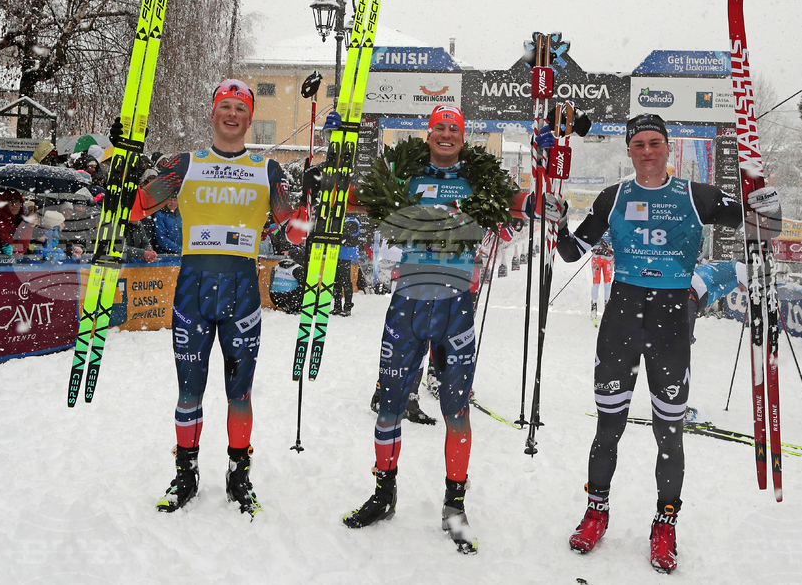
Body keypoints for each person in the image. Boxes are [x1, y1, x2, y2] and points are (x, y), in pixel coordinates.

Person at [550, 113, 781, 573]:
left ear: (668, 147)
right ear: (629, 151)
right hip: (621, 322)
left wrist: (766, 202)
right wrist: (557, 223)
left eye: (655, 142)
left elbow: (761, 225)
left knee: (669, 432)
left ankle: (665, 523)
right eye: (639, 144)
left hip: (670, 325)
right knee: (608, 427)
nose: (648, 151)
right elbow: (573, 251)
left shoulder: (697, 195)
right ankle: (596, 512)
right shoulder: (613, 197)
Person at [343, 104, 528, 554]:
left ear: (463, 137)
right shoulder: (406, 174)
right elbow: (360, 198)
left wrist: (540, 200)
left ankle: (455, 507)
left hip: (455, 305)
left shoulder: (478, 179)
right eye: (439, 127)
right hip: (407, 302)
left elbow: (515, 207)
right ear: (428, 134)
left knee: (456, 410)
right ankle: (383, 494)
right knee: (390, 405)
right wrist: (331, 184)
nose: (447, 134)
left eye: (454, 129)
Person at [128, 79, 308, 517]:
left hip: (242, 293)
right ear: (213, 113)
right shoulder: (185, 164)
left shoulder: (268, 170)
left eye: (240, 108)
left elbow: (295, 234)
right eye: (225, 106)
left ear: (250, 118)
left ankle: (238, 476)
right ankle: (186, 475)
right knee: (188, 391)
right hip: (193, 292)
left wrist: (314, 195)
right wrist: (124, 163)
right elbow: (135, 209)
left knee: (239, 393)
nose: (232, 114)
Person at [689, 260, 747, 343]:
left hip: (688, 289)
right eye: (746, 289)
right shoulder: (737, 270)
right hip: (690, 294)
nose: (743, 291)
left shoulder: (729, 278)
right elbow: (752, 275)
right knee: (683, 340)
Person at [332, 215, 361, 316]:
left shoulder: (352, 221)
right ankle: (337, 306)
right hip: (338, 253)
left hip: (345, 254)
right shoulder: (345, 220)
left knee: (345, 281)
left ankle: (347, 307)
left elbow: (345, 231)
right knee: (337, 281)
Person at [589, 233, 613, 325]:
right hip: (598, 257)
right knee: (597, 283)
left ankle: (607, 308)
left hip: (607, 257)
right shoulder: (596, 226)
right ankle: (594, 307)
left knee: (607, 284)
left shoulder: (611, 226)